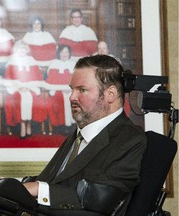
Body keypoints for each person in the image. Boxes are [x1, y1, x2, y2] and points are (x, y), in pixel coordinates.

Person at [21, 55, 147, 215]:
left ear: (111, 94)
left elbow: (99, 199)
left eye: (82, 90)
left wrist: (39, 189)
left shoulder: (130, 139)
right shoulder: (81, 133)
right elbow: (57, 180)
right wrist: (7, 186)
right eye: (72, 89)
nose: (72, 97)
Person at [3, 40, 46, 138]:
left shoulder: (31, 60)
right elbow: (9, 79)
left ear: (26, 50)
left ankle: (29, 123)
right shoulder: (12, 60)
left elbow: (37, 77)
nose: (21, 50)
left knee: (33, 97)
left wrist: (27, 87)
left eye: (23, 48)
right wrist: (19, 87)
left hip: (31, 88)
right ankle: (22, 123)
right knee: (18, 98)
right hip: (16, 89)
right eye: (19, 48)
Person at [45, 45, 76, 134]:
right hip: (57, 91)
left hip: (72, 91)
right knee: (58, 98)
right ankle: (60, 126)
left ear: (69, 53)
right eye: (62, 52)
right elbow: (51, 80)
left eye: (66, 52)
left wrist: (70, 89)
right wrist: (61, 89)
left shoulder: (74, 64)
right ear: (59, 53)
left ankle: (71, 126)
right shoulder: (54, 64)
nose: (64, 54)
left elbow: (77, 80)